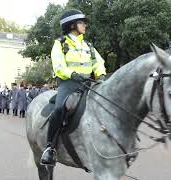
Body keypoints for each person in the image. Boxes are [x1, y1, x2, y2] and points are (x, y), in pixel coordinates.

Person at [40, 9, 107, 166]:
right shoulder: (60, 44)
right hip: (69, 83)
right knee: (59, 109)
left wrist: (101, 75)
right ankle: (50, 148)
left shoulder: (88, 45)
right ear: (72, 25)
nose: (85, 25)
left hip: (90, 83)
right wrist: (73, 74)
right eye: (82, 22)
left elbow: (98, 61)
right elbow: (58, 66)